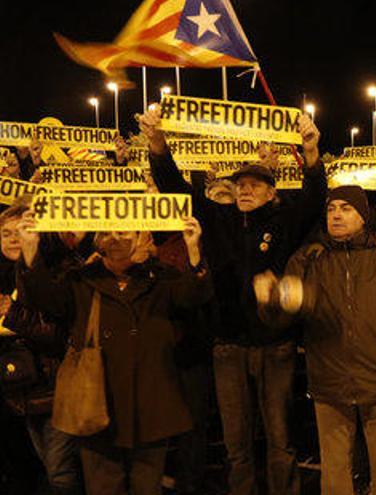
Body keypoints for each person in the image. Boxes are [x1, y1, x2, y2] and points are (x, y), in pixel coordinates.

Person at [139, 107, 327, 495]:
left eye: (255, 185)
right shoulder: (217, 217)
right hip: (227, 346)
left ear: (272, 192)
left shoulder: (283, 221)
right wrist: (157, 144)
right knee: (236, 444)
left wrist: (310, 153)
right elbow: (174, 186)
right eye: (240, 184)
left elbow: (314, 198)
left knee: (279, 440)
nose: (245, 189)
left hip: (275, 347)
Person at [16, 213, 211, 495]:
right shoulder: (80, 281)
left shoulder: (161, 279)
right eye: (108, 232)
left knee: (147, 487)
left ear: (138, 237)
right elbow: (44, 300)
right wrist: (30, 249)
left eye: (124, 232)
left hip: (150, 405)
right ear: (98, 240)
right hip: (99, 406)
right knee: (104, 486)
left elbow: (193, 296)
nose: (116, 238)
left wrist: (194, 249)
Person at [254, 184, 376, 495]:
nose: (336, 215)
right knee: (335, 475)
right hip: (329, 382)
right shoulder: (308, 258)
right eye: (332, 209)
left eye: (346, 209)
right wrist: (271, 301)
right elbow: (283, 320)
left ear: (363, 216)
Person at [0, 204, 81, 495]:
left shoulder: (61, 270)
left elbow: (58, 333)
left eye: (22, 231)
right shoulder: (5, 274)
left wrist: (13, 315)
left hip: (54, 386)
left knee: (59, 470)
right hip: (19, 389)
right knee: (41, 467)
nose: (13, 238)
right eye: (6, 233)